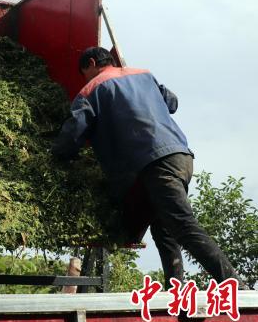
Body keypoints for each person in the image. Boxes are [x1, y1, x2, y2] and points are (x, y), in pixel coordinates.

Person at [52, 47, 241, 288]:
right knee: (164, 229)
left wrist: (57, 155)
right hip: (181, 156)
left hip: (154, 162)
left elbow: (73, 133)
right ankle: (176, 291)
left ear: (91, 63)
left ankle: (236, 286)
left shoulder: (92, 89)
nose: (86, 78)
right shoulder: (144, 74)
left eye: (84, 72)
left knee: (183, 225)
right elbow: (172, 103)